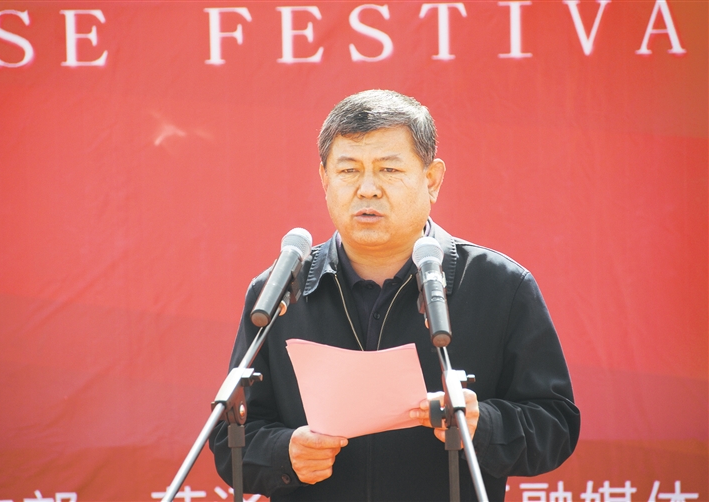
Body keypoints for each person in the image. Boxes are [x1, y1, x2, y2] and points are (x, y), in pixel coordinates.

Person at [210, 89, 580, 501]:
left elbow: (555, 424)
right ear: (325, 180)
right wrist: (284, 453)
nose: (367, 189)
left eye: (389, 169)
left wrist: (483, 424)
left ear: (431, 180)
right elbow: (230, 438)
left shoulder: (499, 286)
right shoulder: (279, 294)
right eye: (348, 170)